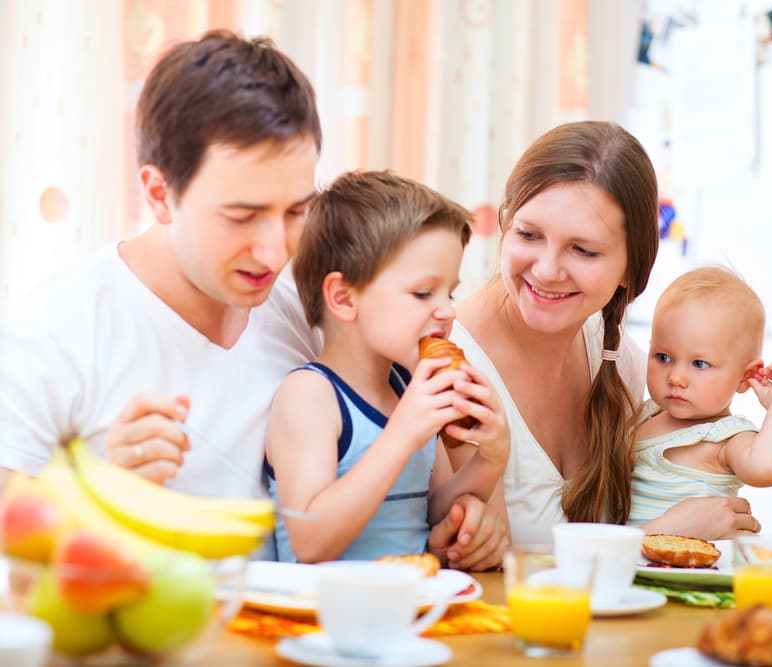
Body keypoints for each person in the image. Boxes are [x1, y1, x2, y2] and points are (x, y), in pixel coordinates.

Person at [0, 30, 503, 569]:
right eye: (242, 215)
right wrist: (96, 494)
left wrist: (477, 518)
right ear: (157, 194)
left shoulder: (299, 319)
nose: (274, 250)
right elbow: (13, 565)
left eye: (294, 212)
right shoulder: (51, 329)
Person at [451, 121, 761, 545]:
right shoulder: (451, 367)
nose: (546, 270)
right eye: (528, 234)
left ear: (629, 270)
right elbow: (482, 568)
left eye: (583, 250)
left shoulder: (616, 355)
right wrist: (658, 535)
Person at [264, 171, 510, 563]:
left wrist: (490, 460)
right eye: (422, 293)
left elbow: (434, 512)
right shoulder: (311, 396)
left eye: (450, 292)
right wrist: (402, 435)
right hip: (325, 616)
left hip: (413, 605)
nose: (447, 310)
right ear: (344, 298)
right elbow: (309, 543)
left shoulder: (409, 388)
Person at [627, 266, 772, 526]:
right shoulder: (646, 414)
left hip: (696, 565)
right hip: (635, 557)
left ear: (744, 377)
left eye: (699, 364)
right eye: (663, 357)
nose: (676, 377)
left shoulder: (725, 437)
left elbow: (768, 468)